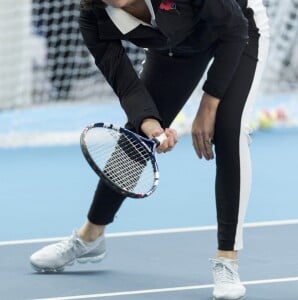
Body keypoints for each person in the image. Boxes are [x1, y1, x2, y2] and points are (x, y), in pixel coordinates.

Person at [30, 0, 270, 299]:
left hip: (238, 28)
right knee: (134, 139)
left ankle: (227, 259)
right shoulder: (94, 19)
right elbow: (127, 86)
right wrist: (152, 127)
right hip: (177, 49)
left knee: (228, 131)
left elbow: (234, 27)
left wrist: (209, 103)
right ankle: (90, 236)